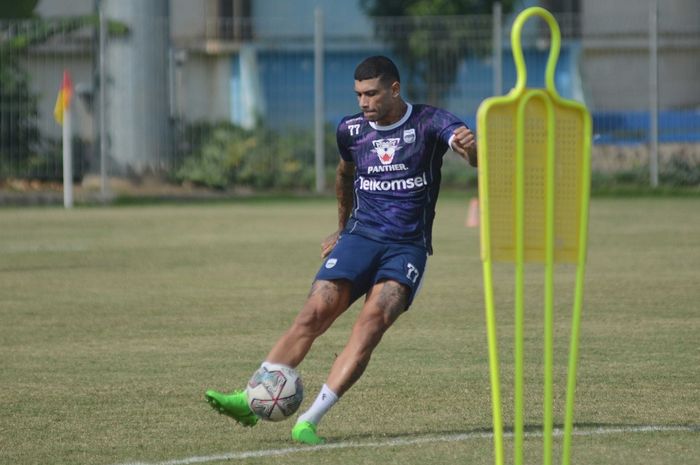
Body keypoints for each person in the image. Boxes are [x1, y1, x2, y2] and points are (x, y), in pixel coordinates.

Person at [205, 55, 477, 445]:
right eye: (358, 95)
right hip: (359, 238)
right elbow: (344, 175)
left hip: (406, 247)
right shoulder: (350, 130)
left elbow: (472, 158)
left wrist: (470, 150)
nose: (363, 102)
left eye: (371, 93)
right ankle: (249, 399)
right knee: (314, 312)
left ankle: (310, 420)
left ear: (394, 89)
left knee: (371, 325)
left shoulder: (430, 122)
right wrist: (340, 227)